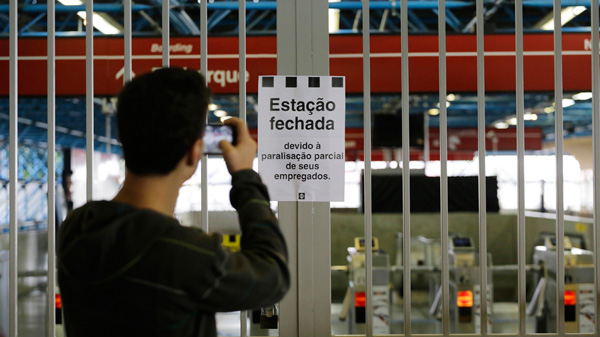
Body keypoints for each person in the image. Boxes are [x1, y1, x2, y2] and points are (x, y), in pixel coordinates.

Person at [57, 67, 289, 337]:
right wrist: (246, 178)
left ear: (124, 140)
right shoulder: (188, 256)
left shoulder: (76, 228)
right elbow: (273, 274)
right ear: (194, 152)